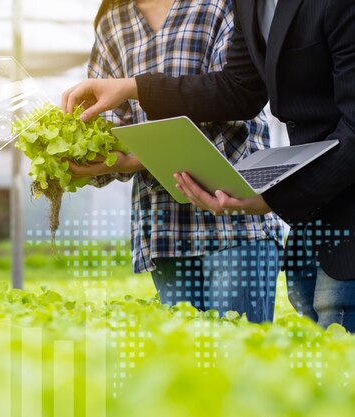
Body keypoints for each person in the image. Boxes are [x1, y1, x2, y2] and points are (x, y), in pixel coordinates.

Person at [62, 0, 355, 330]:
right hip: (183, 225)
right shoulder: (245, 5)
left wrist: (275, 198)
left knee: (313, 353)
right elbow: (239, 89)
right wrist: (131, 96)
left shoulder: (222, 5)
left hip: (272, 215)